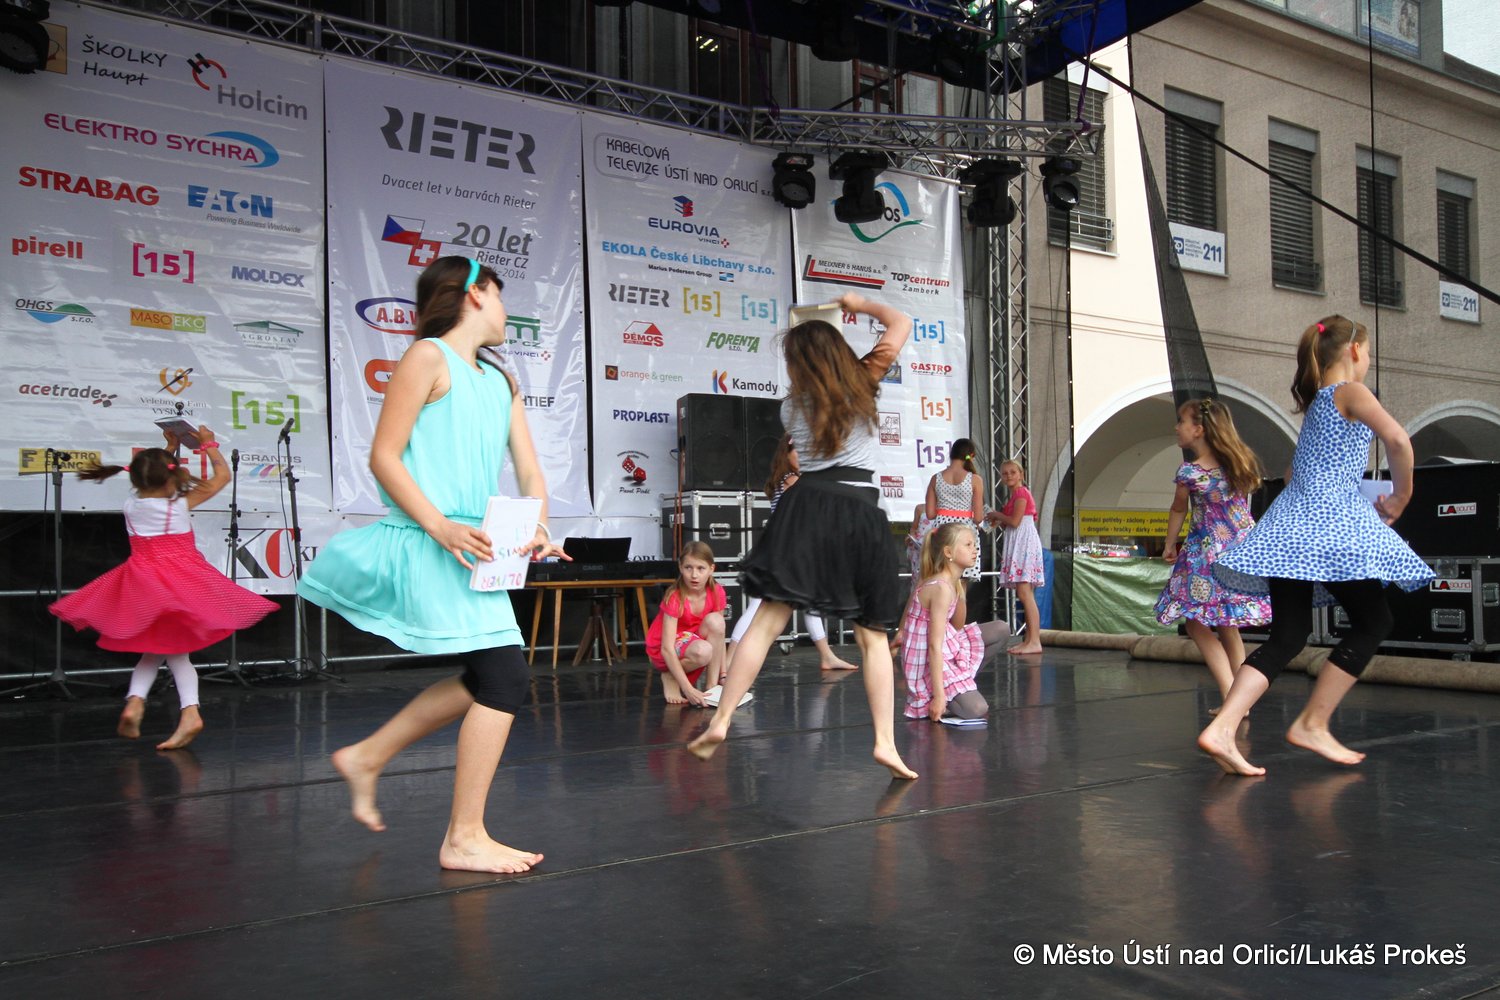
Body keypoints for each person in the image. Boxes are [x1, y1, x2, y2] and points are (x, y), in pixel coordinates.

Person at [298, 256, 566, 872]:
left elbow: (530, 472)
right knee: (504, 678)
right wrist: (440, 526)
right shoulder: (426, 357)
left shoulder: (501, 382)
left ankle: (367, 756)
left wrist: (538, 527)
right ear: (474, 294)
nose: (506, 309)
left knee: (485, 679)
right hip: (432, 540)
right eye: (499, 294)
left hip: (478, 550)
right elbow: (384, 457)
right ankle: (462, 837)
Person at [688, 292, 919, 780]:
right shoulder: (862, 383)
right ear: (839, 352)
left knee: (766, 623)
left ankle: (722, 719)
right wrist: (859, 303)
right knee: (873, 637)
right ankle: (885, 743)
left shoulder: (791, 407)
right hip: (857, 508)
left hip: (806, 506)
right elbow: (900, 321)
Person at [1200, 315, 1433, 776]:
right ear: (1354, 351)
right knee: (1375, 619)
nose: (1368, 360)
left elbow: (1293, 474)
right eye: (1368, 353)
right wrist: (1401, 496)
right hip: (1327, 524)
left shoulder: (1318, 407)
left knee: (1289, 635)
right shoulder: (1352, 393)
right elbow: (1398, 440)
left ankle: (1223, 727)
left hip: (1290, 525)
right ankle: (1313, 722)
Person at [50, 426, 275, 750]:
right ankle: (190, 713)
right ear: (170, 476)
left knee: (157, 650)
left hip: (143, 584)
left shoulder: (131, 504)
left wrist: (168, 448)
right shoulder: (179, 503)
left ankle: (136, 700)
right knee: (177, 653)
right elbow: (223, 476)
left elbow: (151, 476)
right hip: (180, 584)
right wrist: (208, 445)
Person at [1153, 398, 1274, 707]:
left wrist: (1169, 543)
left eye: (1181, 421)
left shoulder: (1190, 473)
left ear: (1199, 429)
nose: (1177, 427)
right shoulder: (1237, 464)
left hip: (1206, 553)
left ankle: (1230, 691)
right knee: (1228, 625)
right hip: (1239, 551)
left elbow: (1178, 509)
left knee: (1195, 622)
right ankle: (1240, 700)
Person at [725, 434, 858, 679]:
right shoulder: (792, 480)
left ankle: (826, 655)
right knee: (759, 607)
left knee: (807, 602)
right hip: (785, 552)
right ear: (787, 454)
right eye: (800, 452)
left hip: (789, 549)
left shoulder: (787, 479)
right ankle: (728, 660)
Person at [901, 523, 1011, 721]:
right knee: (977, 709)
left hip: (947, 644)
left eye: (974, 545)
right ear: (948, 552)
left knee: (1001, 629)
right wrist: (939, 698)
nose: (975, 550)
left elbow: (958, 626)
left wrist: (961, 588)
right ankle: (940, 694)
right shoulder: (940, 587)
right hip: (927, 658)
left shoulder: (952, 583)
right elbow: (934, 646)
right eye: (968, 545)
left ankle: (960, 684)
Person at [646, 541, 727, 707]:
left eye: (701, 568)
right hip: (665, 647)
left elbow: (719, 635)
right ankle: (670, 676)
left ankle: (712, 687)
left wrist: (723, 674)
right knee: (704, 651)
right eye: (688, 568)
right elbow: (666, 648)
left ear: (711, 569)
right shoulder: (675, 597)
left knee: (717, 621)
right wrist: (687, 689)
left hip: (692, 640)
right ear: (680, 567)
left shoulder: (717, 591)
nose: (694, 575)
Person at [986, 459, 1044, 655]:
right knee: (1024, 593)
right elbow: (1011, 522)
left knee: (1025, 593)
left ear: (1021, 475)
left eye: (1012, 472)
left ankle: (1034, 640)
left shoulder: (1021, 493)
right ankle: (1029, 640)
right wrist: (998, 519)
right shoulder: (1015, 496)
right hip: (1020, 541)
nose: (1009, 476)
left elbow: (1015, 521)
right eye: (1005, 473)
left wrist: (997, 514)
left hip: (1023, 543)